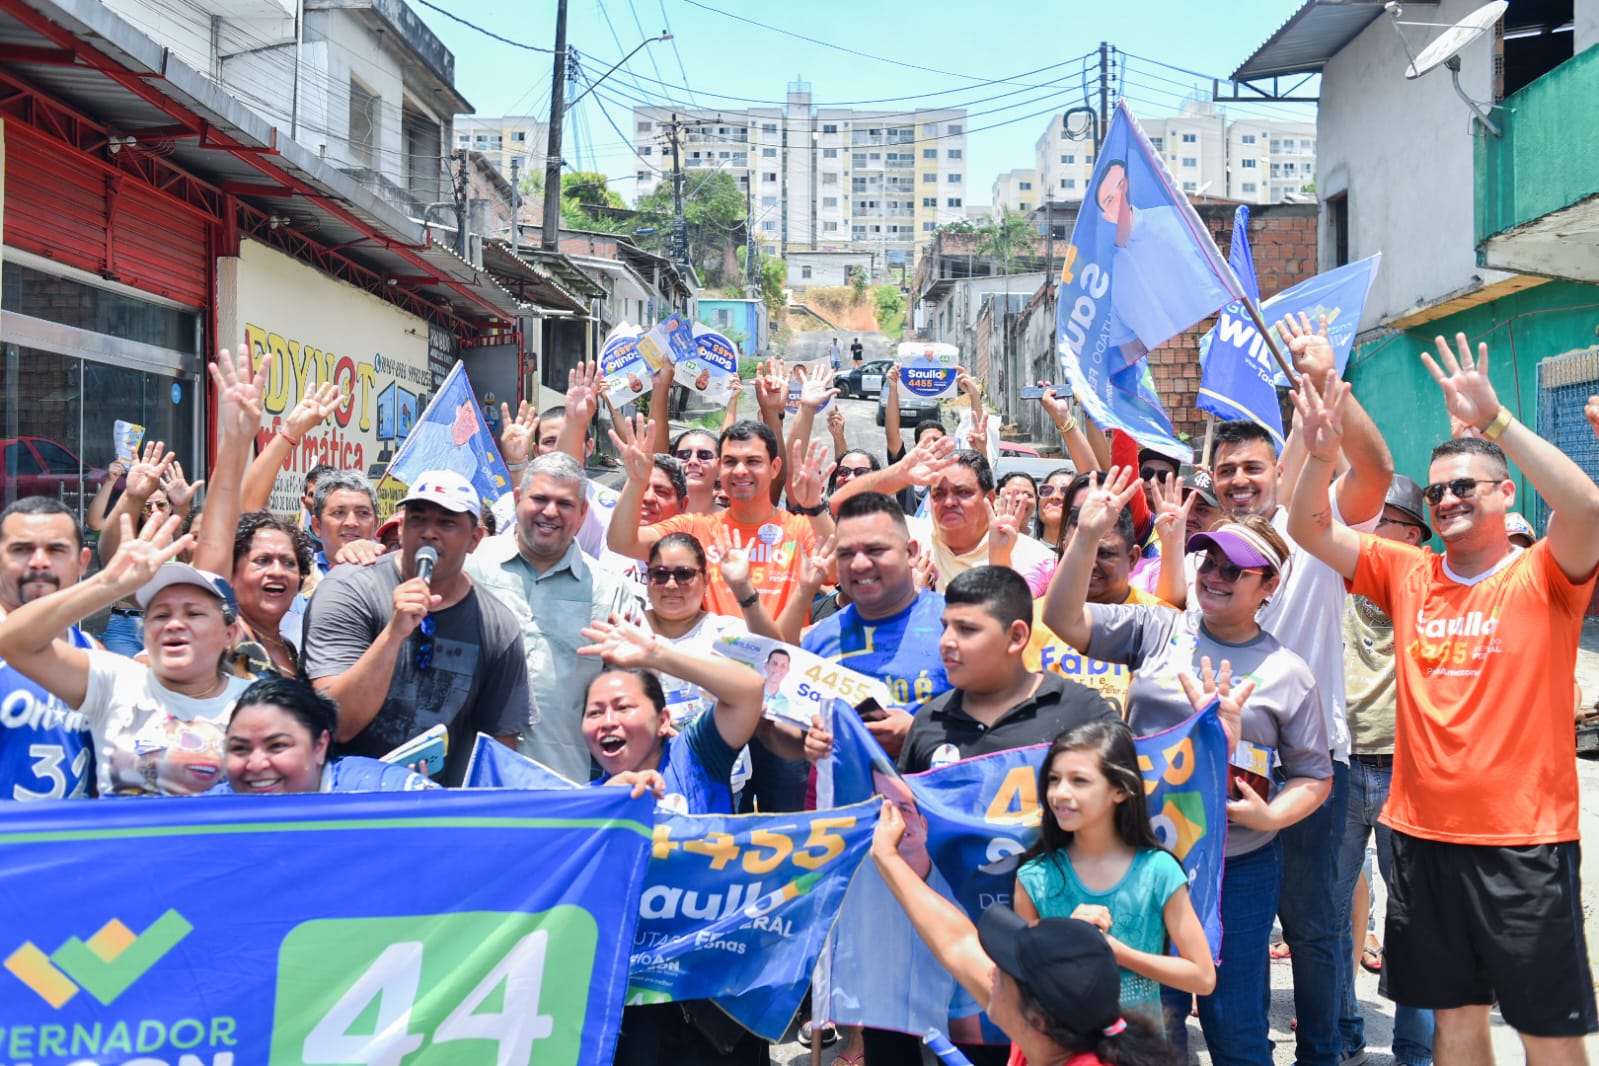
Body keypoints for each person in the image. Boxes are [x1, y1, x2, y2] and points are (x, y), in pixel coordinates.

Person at [1286, 335, 1599, 1063]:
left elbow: (1583, 504)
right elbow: (1307, 529)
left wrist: (1495, 424)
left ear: (1503, 494)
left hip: (1521, 841)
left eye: (1465, 486)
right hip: (1422, 840)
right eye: (1437, 491)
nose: (1447, 499)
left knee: (1547, 1029)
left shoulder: (1542, 574)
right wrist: (1319, 452)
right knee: (1454, 1023)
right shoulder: (1408, 573)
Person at [1044, 468, 1333, 1064]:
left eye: (1234, 570)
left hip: (1238, 868)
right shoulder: (1158, 627)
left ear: (1269, 585)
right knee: (1148, 1019)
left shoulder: (1289, 673)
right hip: (1143, 861)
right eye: (1208, 564)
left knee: (1234, 1022)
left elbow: (1315, 775)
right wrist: (1085, 535)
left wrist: (1273, 813)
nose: (1215, 577)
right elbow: (1063, 619)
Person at [1203, 312, 1393, 1066]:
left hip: (1317, 770)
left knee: (1314, 930)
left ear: (1275, 473)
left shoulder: (1312, 533)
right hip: (1223, 776)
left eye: (1252, 468)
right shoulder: (1204, 560)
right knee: (1236, 932)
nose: (1240, 481)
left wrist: (1323, 386)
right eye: (1227, 472)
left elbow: (1373, 473)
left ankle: (1323, 1052)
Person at [578, 618, 769, 1066]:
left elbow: (749, 691)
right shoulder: (583, 801)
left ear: (664, 720)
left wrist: (655, 654)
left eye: (624, 707)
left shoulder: (698, 753)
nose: (609, 722)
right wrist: (605, 809)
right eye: (595, 712)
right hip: (632, 1005)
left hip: (715, 996)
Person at [872, 801, 1181, 1066]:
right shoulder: (1044, 1035)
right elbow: (957, 941)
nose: (992, 971)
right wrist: (888, 857)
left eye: (1005, 969)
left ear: (1037, 1018)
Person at [302, 469, 532, 786]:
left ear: (475, 539)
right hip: (343, 806)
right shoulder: (348, 588)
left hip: (433, 815)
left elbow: (499, 754)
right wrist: (393, 633)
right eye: (418, 519)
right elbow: (336, 722)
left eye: (446, 523)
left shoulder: (497, 625)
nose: (428, 533)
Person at [1327, 474, 1436, 1066]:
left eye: (1382, 521)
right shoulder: (1341, 581)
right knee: (1334, 911)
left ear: (1415, 536)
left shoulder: (1432, 588)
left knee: (1415, 919)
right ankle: (1344, 1032)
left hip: (1409, 775)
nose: (1365, 530)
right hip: (1342, 769)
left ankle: (1414, 1049)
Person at [1014, 719, 1216, 1024]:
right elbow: (1018, 980)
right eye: (1054, 779)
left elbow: (1202, 977)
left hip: (1139, 1053)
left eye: (1079, 780)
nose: (1060, 793)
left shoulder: (1158, 871)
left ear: (1120, 790)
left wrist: (1119, 953)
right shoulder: (1034, 878)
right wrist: (1065, 940)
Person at [467, 452, 634, 782]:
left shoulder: (609, 591)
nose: (550, 512)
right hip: (466, 780)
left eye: (565, 503)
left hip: (561, 789)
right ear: (518, 499)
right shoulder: (469, 567)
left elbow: (630, 694)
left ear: (584, 512)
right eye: (539, 499)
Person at [899, 565, 1115, 775]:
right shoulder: (929, 722)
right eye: (945, 627)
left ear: (1016, 637)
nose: (946, 642)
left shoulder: (1083, 710)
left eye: (966, 629)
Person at [609, 419, 823, 622]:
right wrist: (636, 481)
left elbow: (837, 573)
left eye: (753, 461)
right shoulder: (694, 528)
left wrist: (815, 506)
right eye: (730, 462)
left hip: (782, 658)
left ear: (774, 468)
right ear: (720, 467)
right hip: (708, 658)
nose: (740, 471)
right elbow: (622, 542)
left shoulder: (801, 528)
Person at [1024, 501, 1173, 716]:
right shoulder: (1028, 619)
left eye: (1104, 553)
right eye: (1081, 549)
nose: (1090, 563)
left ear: (1132, 558)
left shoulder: (1164, 624)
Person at [0, 498, 97, 800]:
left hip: (66, 842)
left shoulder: (93, 650)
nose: (39, 561)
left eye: (56, 550)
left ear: (82, 562)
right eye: (21, 549)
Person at [214, 677, 437, 794]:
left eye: (277, 746)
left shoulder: (386, 792)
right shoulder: (206, 812)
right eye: (240, 749)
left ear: (320, 746)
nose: (256, 764)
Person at [670, 429, 722, 516]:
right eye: (684, 454)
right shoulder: (653, 516)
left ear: (720, 467)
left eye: (704, 455)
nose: (693, 461)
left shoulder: (735, 523)